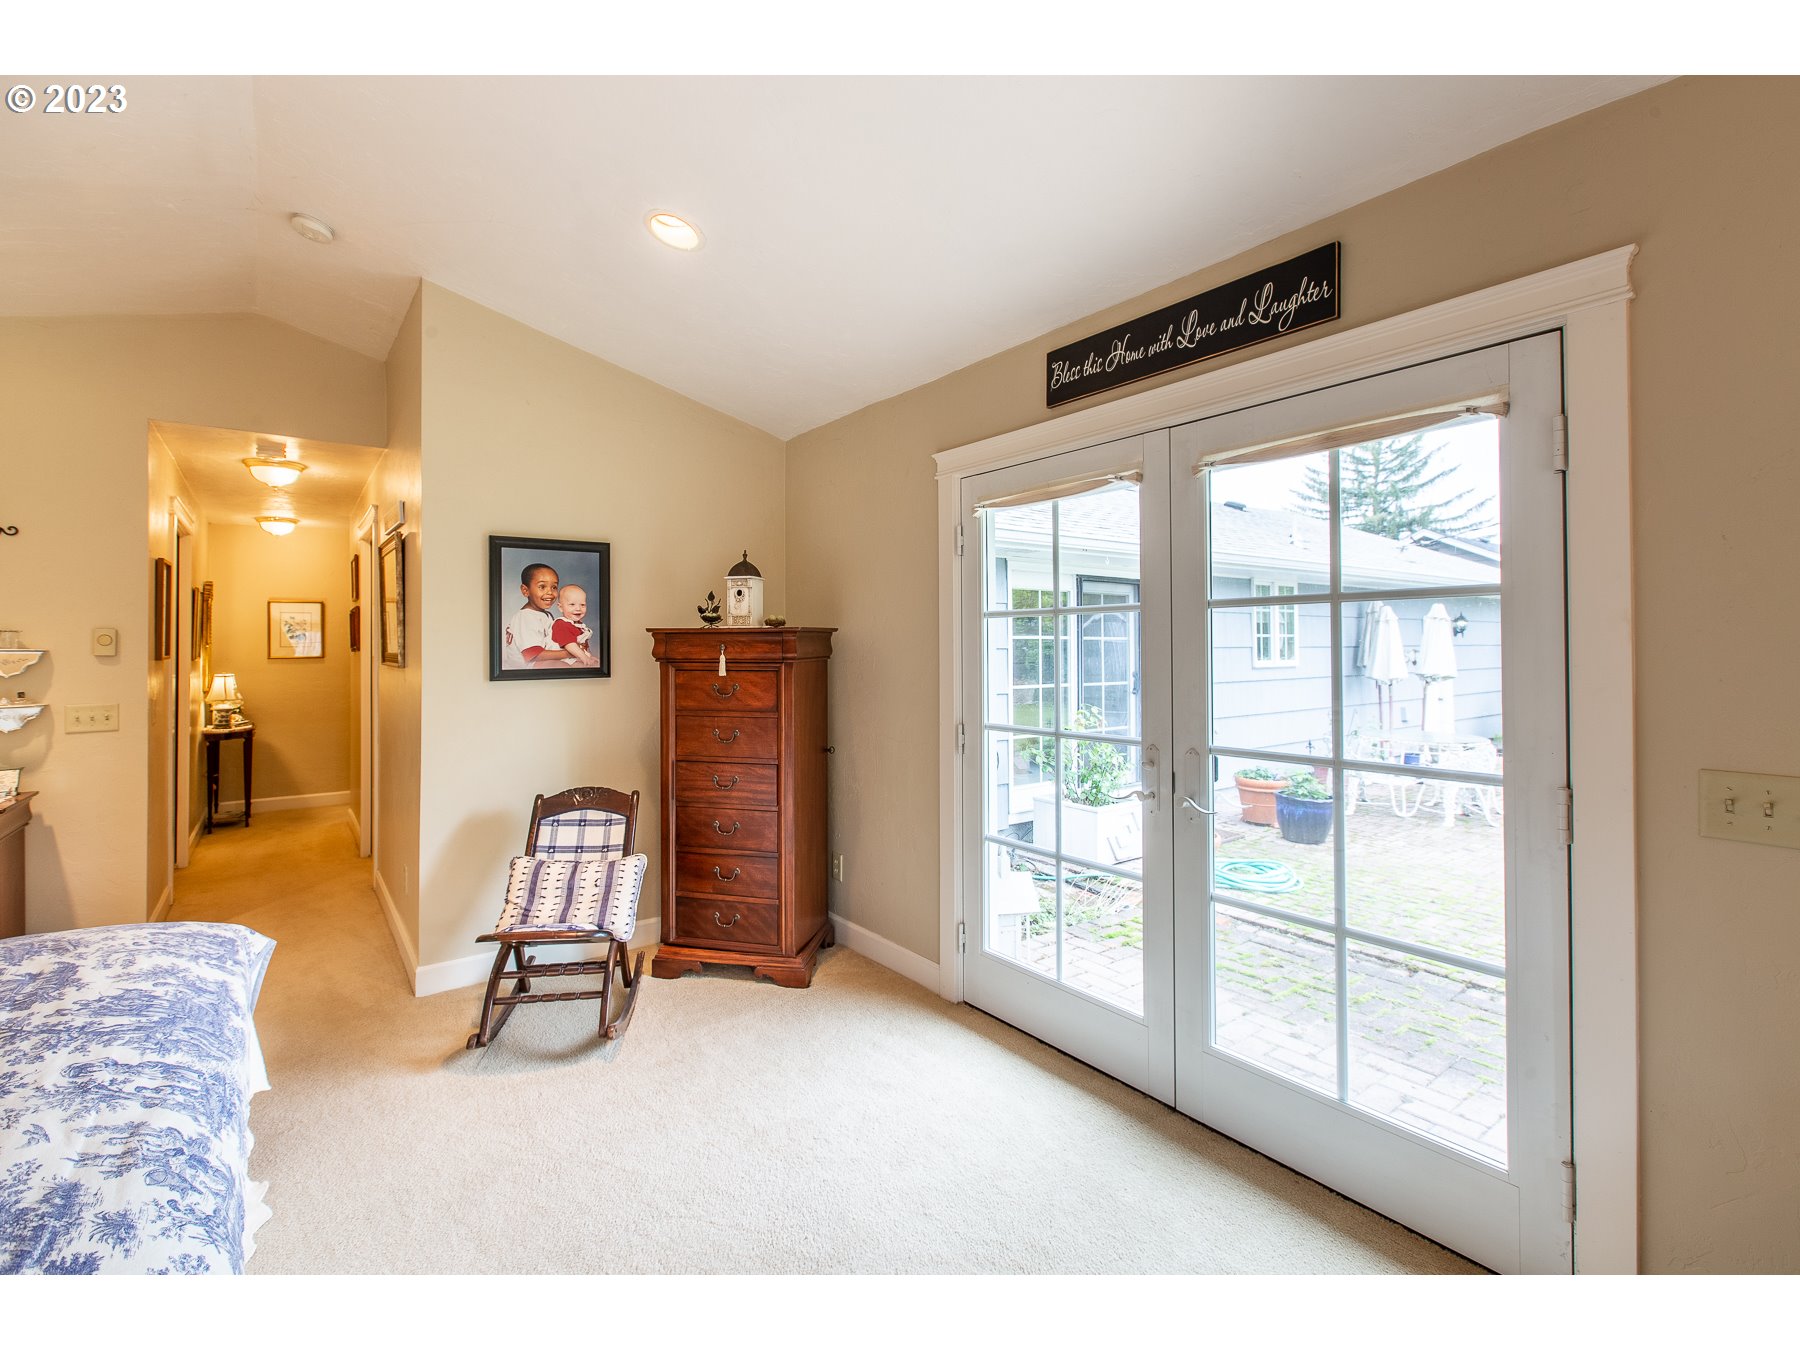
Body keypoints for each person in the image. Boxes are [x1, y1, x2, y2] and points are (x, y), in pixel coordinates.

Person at [502, 562, 562, 669]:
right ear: (525, 591)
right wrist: (570, 653)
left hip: (541, 664)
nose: (550, 592)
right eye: (542, 587)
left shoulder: (545, 615)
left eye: (554, 587)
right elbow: (533, 655)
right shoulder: (526, 617)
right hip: (527, 669)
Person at [548, 584, 600, 667]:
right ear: (560, 607)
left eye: (582, 605)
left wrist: (589, 656)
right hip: (561, 660)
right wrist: (584, 657)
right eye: (572, 604)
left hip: (574, 657)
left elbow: (584, 646)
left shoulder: (581, 626)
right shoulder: (561, 624)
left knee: (596, 664)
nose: (578, 608)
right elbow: (569, 644)